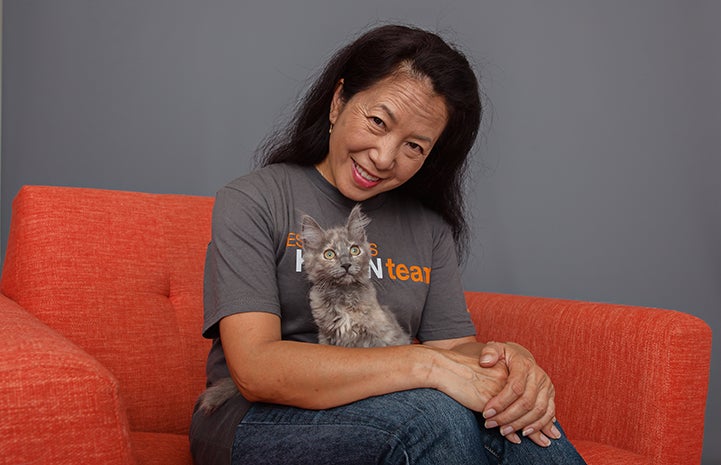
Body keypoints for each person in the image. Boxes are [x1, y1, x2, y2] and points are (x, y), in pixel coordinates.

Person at [190, 24, 587, 465]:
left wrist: (513, 365)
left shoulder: (430, 229)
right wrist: (425, 366)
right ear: (339, 101)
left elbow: (454, 351)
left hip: (388, 408)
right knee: (435, 416)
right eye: (378, 122)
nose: (383, 157)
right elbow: (255, 369)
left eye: (413, 146)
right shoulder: (253, 200)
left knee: (522, 429)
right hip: (252, 422)